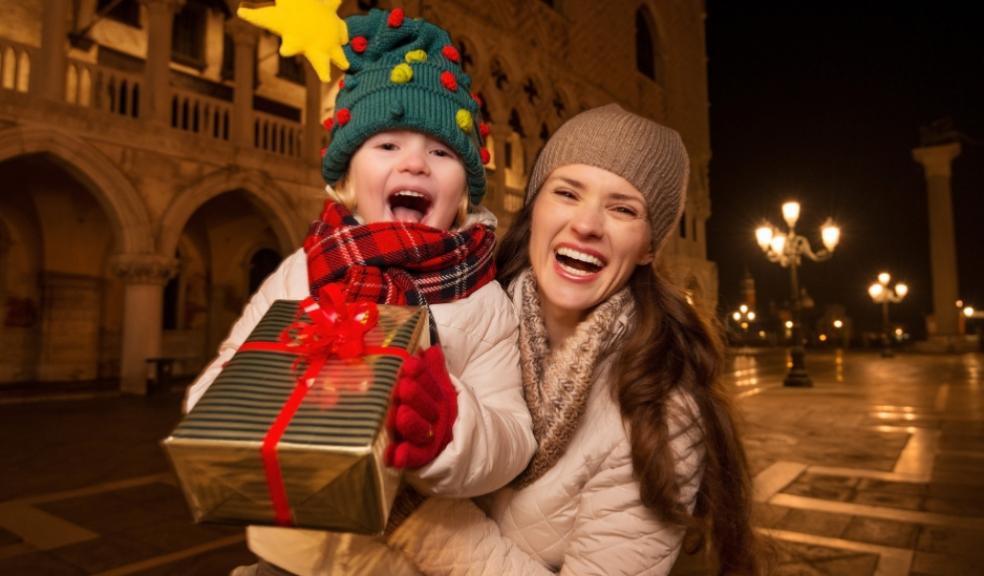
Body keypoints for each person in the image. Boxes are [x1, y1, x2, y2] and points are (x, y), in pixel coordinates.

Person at [184, 9, 535, 576]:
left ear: (465, 191)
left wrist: (448, 429)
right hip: (291, 555)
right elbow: (222, 381)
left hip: (404, 561)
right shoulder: (305, 270)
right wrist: (238, 406)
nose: (417, 162)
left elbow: (511, 440)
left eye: (443, 152)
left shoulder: (480, 296)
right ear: (348, 178)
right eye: (388, 145)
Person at [388, 104, 760, 575]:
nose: (587, 225)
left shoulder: (659, 412)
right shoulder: (463, 318)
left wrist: (415, 518)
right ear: (535, 208)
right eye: (567, 192)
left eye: (623, 208)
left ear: (648, 246)